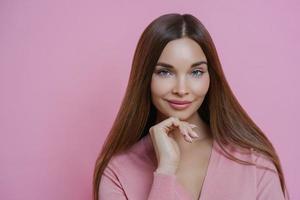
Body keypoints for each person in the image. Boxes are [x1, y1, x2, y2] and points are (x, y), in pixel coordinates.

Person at [93, 13, 289, 200]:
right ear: (145, 78)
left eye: (196, 72)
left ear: (210, 77)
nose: (181, 89)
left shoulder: (253, 161)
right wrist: (165, 171)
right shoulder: (116, 173)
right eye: (165, 72)